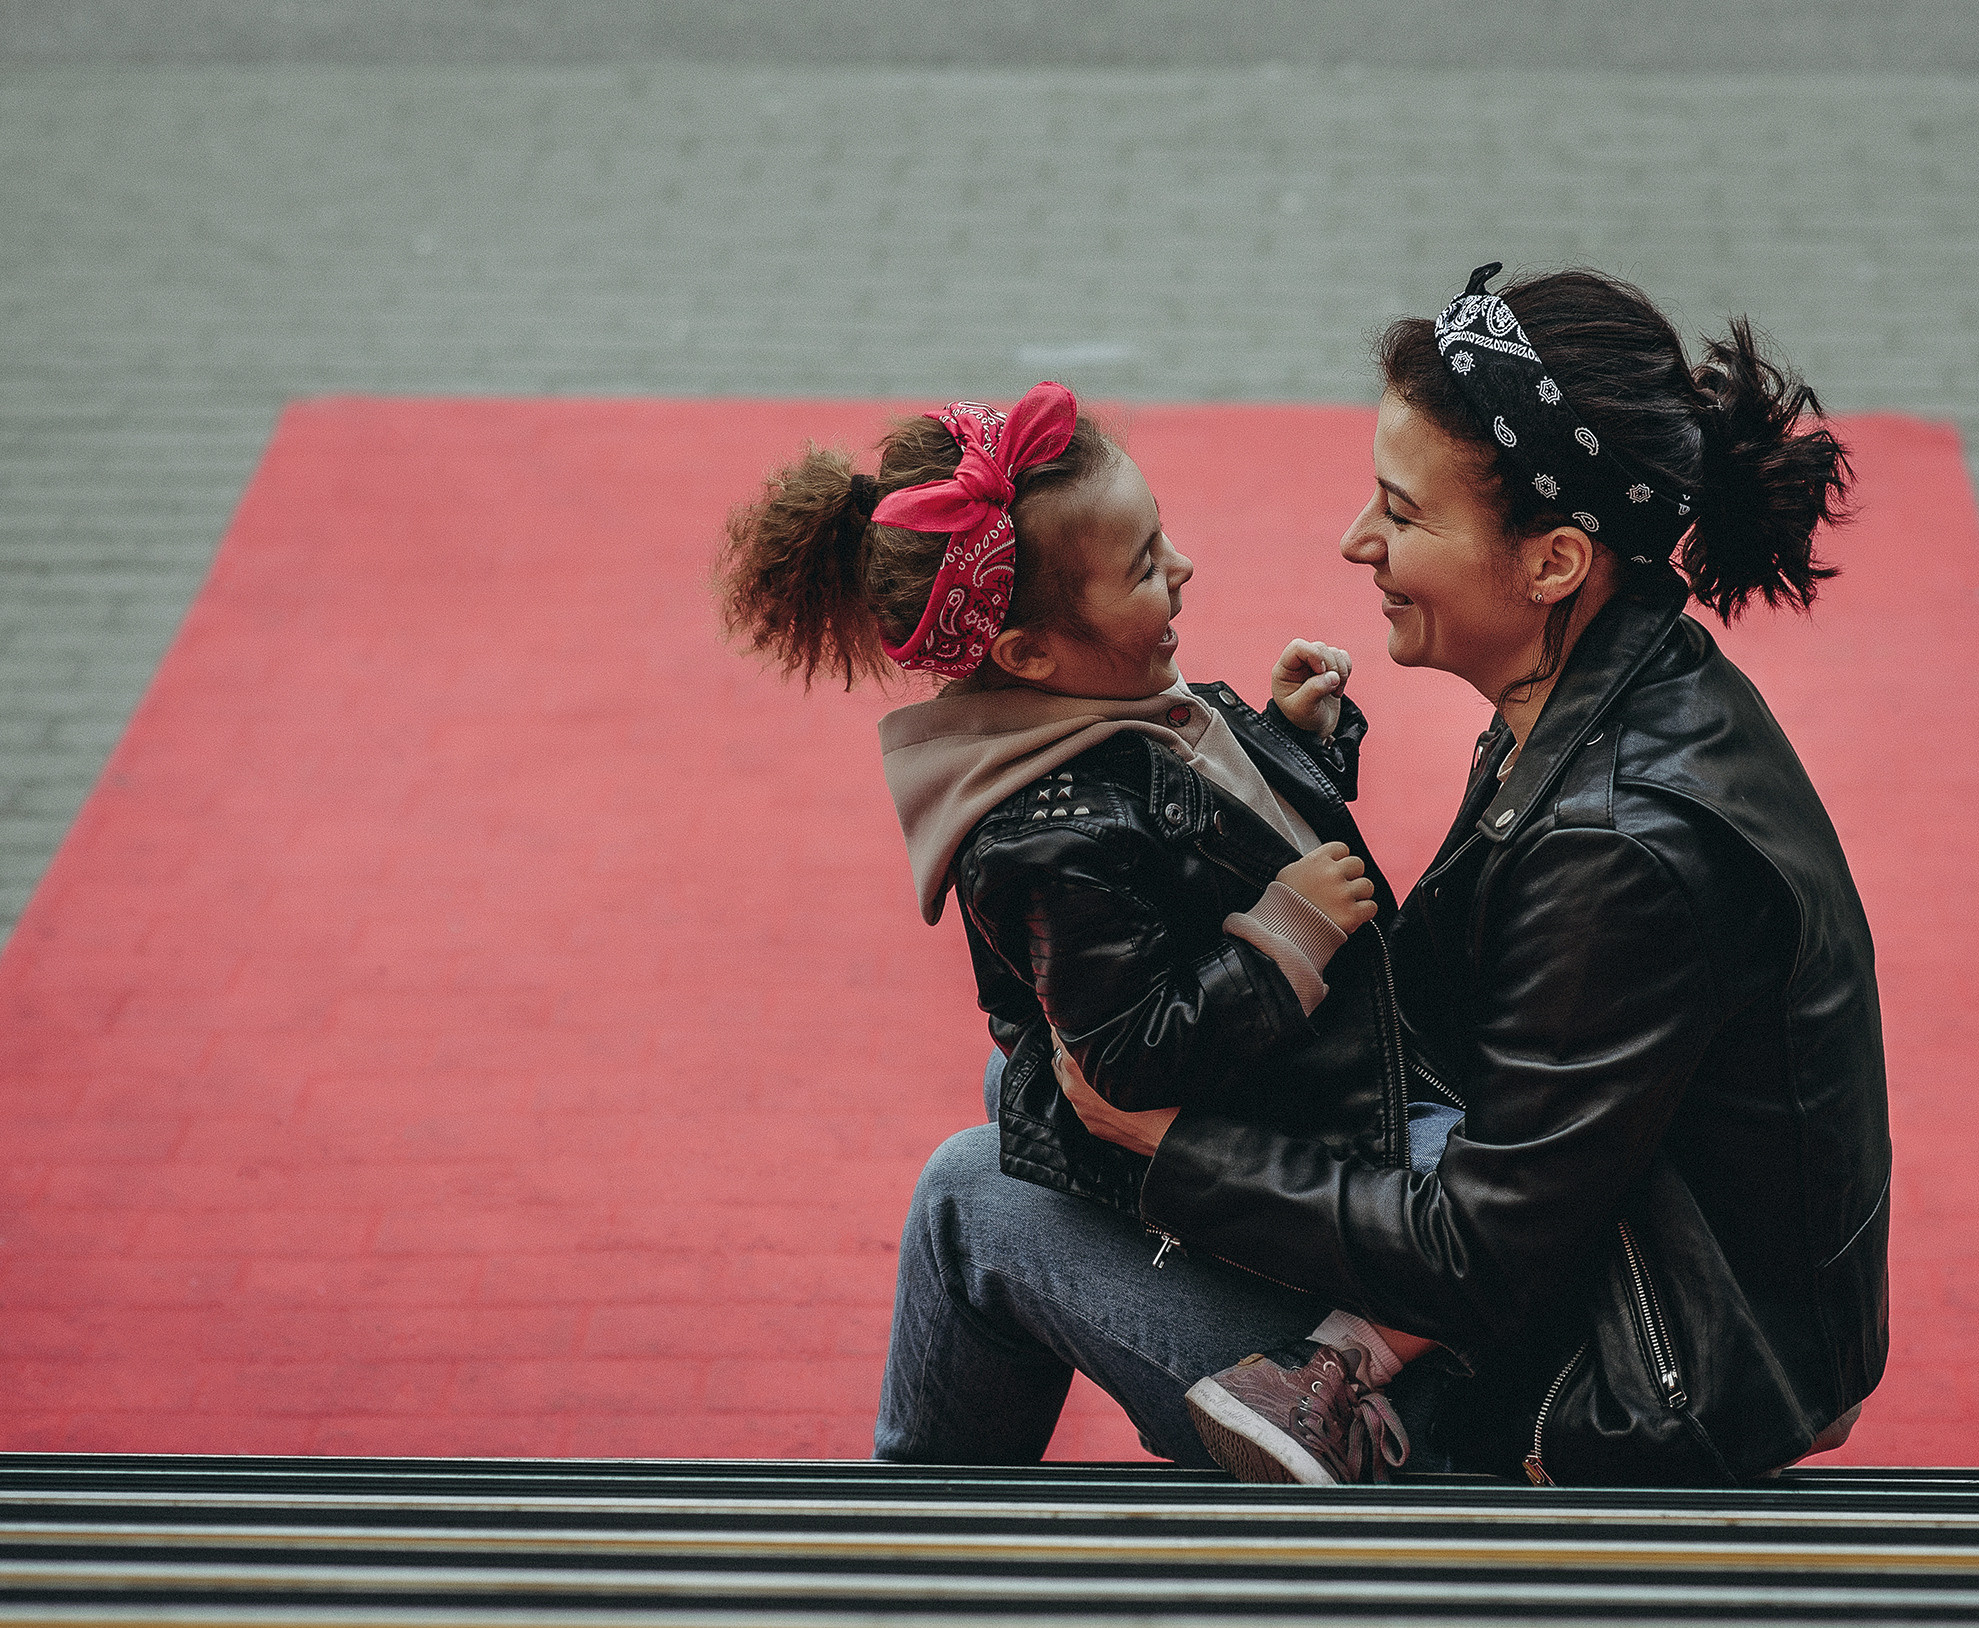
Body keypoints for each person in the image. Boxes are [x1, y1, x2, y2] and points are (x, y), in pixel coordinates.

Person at [926, 264, 1892, 1484]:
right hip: (1586, 1262)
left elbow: (1479, 1256)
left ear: (1550, 562)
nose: (1356, 540)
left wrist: (1171, 1145)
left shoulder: (1619, 842)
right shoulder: (1610, 686)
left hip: (1612, 1379)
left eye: (1403, 510)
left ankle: (898, 1573)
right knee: (1032, 1105)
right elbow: (1452, 1007)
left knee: (974, 1195)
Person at [715, 382, 1450, 1482]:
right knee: (987, 1157)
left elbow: (1205, 841)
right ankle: (1321, 1380)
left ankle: (919, 1517)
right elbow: (1132, 1053)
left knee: (978, 1164)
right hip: (1311, 1139)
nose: (1184, 569)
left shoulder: (1106, 720)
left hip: (1310, 1141)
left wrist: (1291, 739)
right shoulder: (1046, 835)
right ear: (1029, 655)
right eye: (1147, 564)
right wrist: (1285, 937)